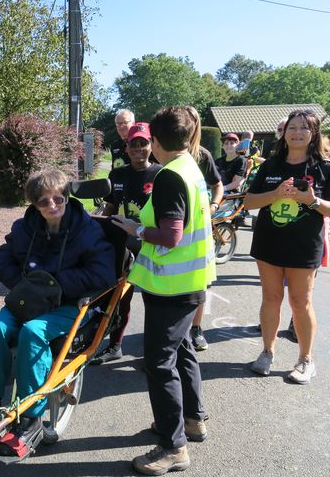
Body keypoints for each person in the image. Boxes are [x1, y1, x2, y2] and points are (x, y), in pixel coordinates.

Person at [0, 169, 115, 458]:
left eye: (58, 198)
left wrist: (56, 285)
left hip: (67, 304)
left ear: (67, 197)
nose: (52, 205)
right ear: (34, 205)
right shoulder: (25, 227)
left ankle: (30, 418)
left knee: (33, 332)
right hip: (28, 300)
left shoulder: (86, 229)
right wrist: (24, 285)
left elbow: (103, 273)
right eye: (43, 202)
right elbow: (2, 259)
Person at [113, 106, 215, 476]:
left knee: (159, 363)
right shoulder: (191, 167)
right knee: (183, 349)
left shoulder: (170, 176)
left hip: (171, 286)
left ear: (155, 141)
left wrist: (135, 230)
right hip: (189, 282)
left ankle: (173, 447)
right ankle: (193, 419)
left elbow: (171, 235)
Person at [244, 109, 330, 384]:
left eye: (304, 128)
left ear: (314, 133)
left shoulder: (324, 168)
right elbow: (249, 202)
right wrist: (275, 194)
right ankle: (267, 352)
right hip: (269, 243)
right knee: (270, 298)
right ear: (284, 132)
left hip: (304, 247)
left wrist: (312, 201)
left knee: (300, 302)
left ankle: (306, 360)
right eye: (292, 127)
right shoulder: (271, 165)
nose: (297, 132)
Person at [90, 122, 161, 364]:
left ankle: (152, 354)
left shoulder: (161, 175)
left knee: (153, 302)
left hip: (151, 247)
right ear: (127, 147)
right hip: (122, 246)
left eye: (144, 143)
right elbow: (110, 206)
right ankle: (115, 346)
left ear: (151, 145)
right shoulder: (117, 174)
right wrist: (96, 224)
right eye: (134, 144)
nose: (139, 148)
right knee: (120, 298)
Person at [185, 106, 224, 352]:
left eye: (191, 121)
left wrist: (213, 205)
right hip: (174, 227)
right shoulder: (163, 154)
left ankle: (196, 328)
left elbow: (218, 185)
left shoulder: (203, 156)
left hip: (199, 227)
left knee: (199, 281)